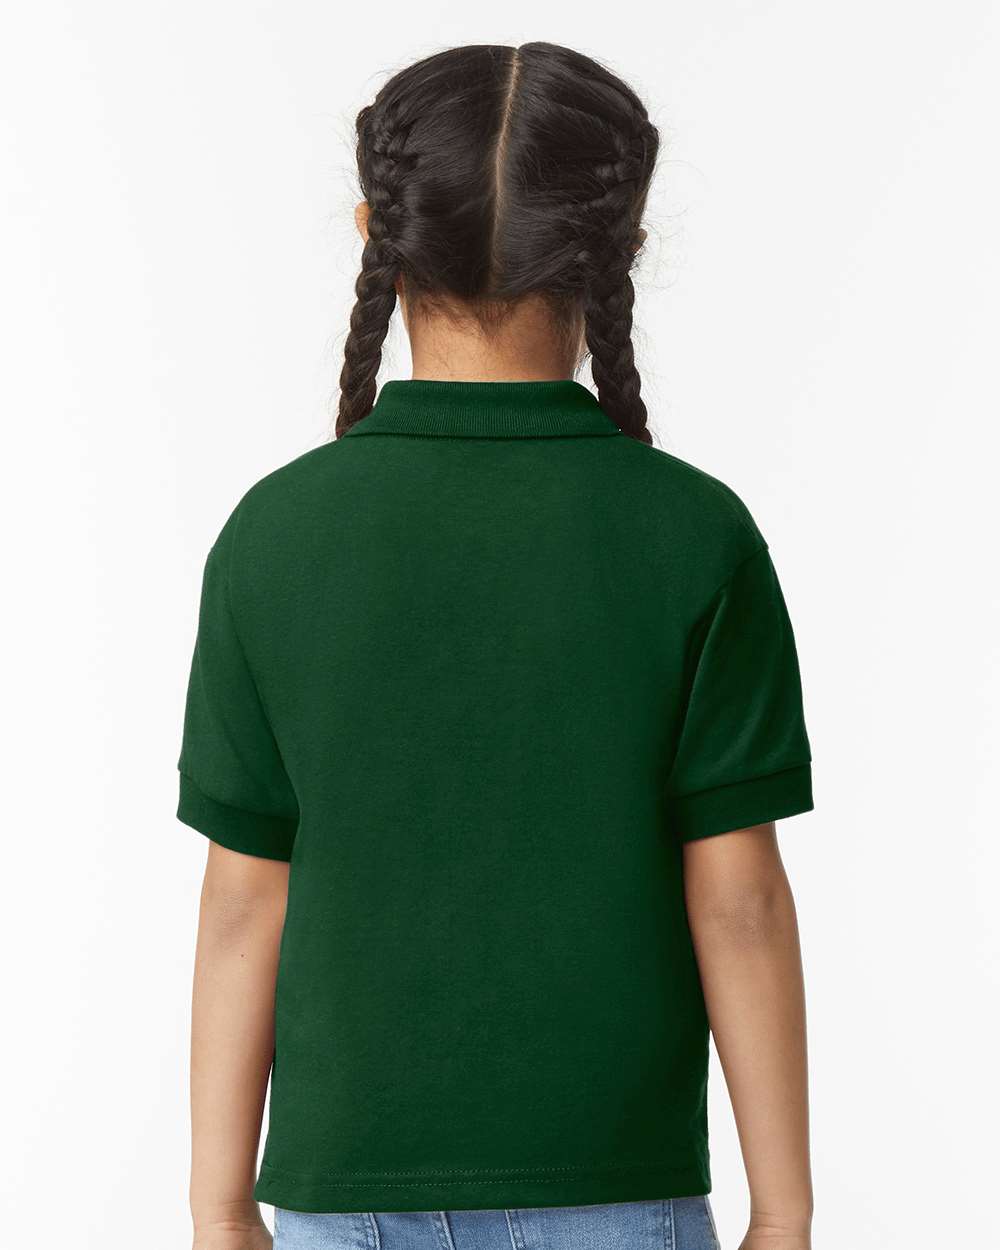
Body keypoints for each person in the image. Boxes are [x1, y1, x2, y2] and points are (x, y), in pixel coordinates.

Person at [177, 41, 815, 1250]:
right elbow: (739, 899)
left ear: (375, 233)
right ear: (619, 246)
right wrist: (782, 1209)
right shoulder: (695, 531)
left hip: (340, 1191)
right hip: (618, 1185)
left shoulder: (274, 533)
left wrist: (218, 1204)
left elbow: (243, 897)